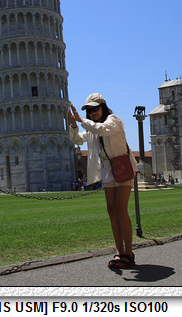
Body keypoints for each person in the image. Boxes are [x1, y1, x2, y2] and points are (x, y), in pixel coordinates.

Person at [68, 93, 138, 269]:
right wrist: (73, 124)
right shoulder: (92, 128)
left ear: (103, 107)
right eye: (89, 111)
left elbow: (103, 130)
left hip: (122, 167)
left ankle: (129, 254)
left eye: (95, 109)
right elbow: (77, 139)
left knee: (121, 210)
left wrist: (82, 120)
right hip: (108, 170)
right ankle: (119, 251)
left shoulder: (114, 120)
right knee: (112, 211)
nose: (92, 113)